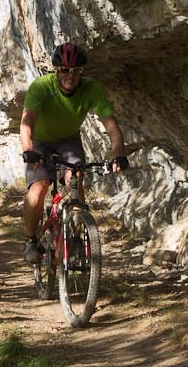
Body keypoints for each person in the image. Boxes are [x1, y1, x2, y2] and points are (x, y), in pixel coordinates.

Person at [19, 42, 128, 264]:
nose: (71, 75)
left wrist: (118, 153)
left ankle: (76, 237)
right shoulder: (41, 87)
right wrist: (29, 150)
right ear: (56, 70)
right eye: (65, 70)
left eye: (76, 70)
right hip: (40, 141)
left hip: (68, 139)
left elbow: (111, 125)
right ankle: (30, 240)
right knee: (39, 187)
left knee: (76, 180)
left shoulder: (91, 89)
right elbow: (27, 120)